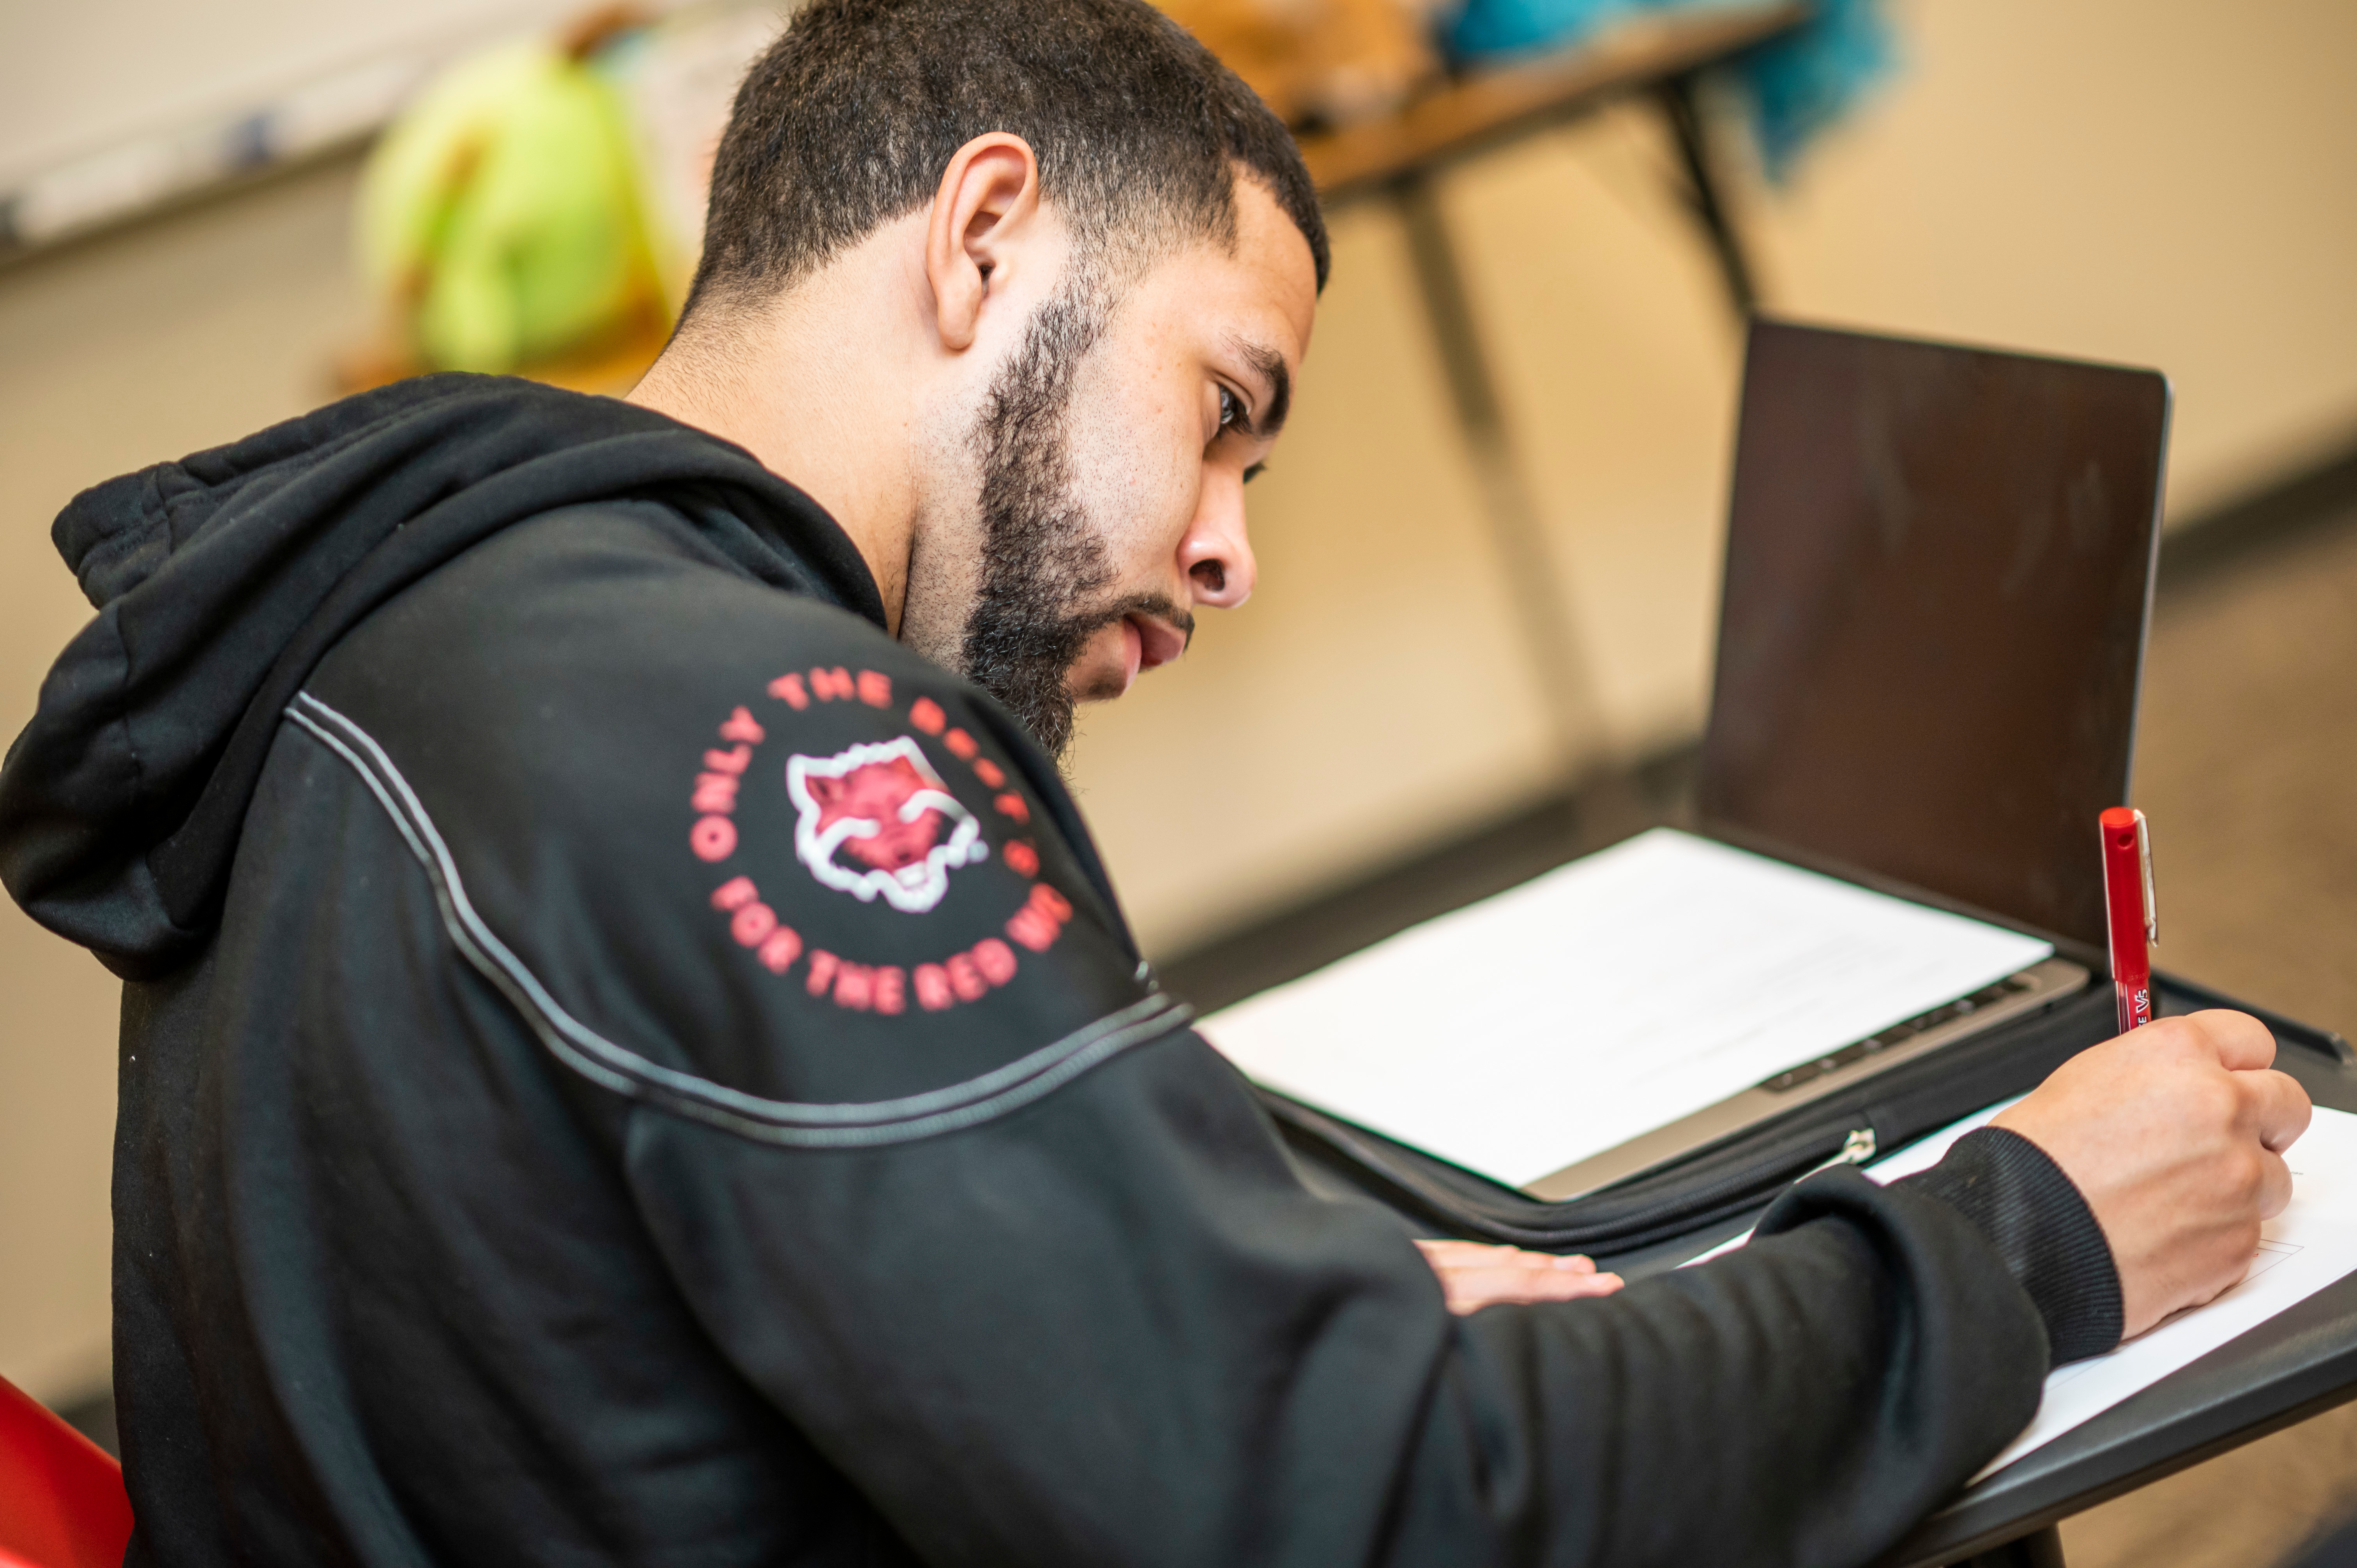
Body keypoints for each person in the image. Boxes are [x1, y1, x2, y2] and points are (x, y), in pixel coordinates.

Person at [0, 0, 2311, 1563]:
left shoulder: (417, 629)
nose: (1229, 549)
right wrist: (2034, 1230)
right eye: (1227, 404)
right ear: (987, 231)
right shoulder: (764, 739)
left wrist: (1223, 1282)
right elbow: (1359, 1502)